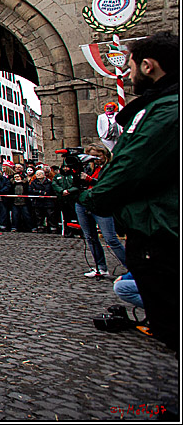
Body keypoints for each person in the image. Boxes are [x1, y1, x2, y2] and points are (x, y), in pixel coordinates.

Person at [80, 32, 178, 351]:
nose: (129, 73)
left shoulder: (166, 110)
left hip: (162, 230)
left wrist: (93, 197)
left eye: (132, 65)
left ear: (149, 66)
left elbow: (131, 165)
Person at [75, 144, 128, 277]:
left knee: (111, 238)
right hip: (84, 202)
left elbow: (109, 184)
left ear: (105, 155)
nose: (96, 159)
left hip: (101, 205)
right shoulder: (88, 167)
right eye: (93, 156)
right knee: (91, 237)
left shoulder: (110, 168)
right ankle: (101, 267)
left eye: (98, 156)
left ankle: (132, 267)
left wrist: (90, 179)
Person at [52, 164, 79, 237]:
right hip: (62, 198)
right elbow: (54, 184)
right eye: (64, 167)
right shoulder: (57, 176)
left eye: (67, 167)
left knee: (75, 216)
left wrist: (69, 191)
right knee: (65, 216)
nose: (65, 169)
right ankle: (68, 231)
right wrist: (61, 191)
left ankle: (77, 231)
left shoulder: (74, 176)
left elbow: (78, 185)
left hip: (73, 198)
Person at [28, 164, 56, 233]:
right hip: (38, 201)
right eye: (37, 174)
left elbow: (51, 190)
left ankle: (52, 227)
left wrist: (46, 193)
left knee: (50, 215)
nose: (38, 175)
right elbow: (30, 190)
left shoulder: (49, 182)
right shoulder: (34, 182)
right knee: (39, 216)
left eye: (40, 174)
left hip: (48, 201)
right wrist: (40, 192)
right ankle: (40, 227)